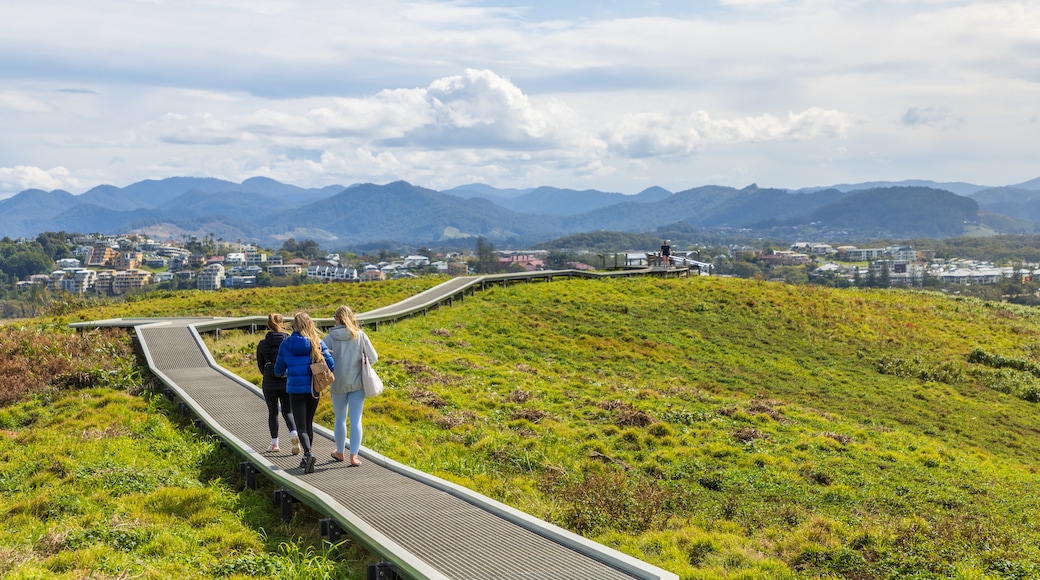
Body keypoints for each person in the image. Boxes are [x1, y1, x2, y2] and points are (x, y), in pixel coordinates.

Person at [274, 311, 335, 474]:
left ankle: (308, 454)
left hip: (294, 390)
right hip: (312, 389)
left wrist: (286, 372)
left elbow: (278, 370)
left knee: (300, 425)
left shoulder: (286, 344)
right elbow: (331, 364)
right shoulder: (317, 342)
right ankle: (307, 456)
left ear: (294, 325)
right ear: (309, 324)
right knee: (308, 423)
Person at [323, 305, 378, 467]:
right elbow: (374, 357)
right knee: (356, 420)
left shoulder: (329, 338)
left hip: (337, 383)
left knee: (340, 419)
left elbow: (322, 359)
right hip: (357, 383)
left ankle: (340, 452)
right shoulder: (360, 335)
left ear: (337, 319)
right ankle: (354, 456)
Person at [256, 313, 299, 454]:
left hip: (269, 382)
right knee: (288, 411)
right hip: (286, 381)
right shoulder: (288, 341)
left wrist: (269, 374)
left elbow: (261, 366)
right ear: (282, 323)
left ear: (268, 325)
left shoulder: (262, 344)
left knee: (273, 412)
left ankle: (275, 444)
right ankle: (293, 433)